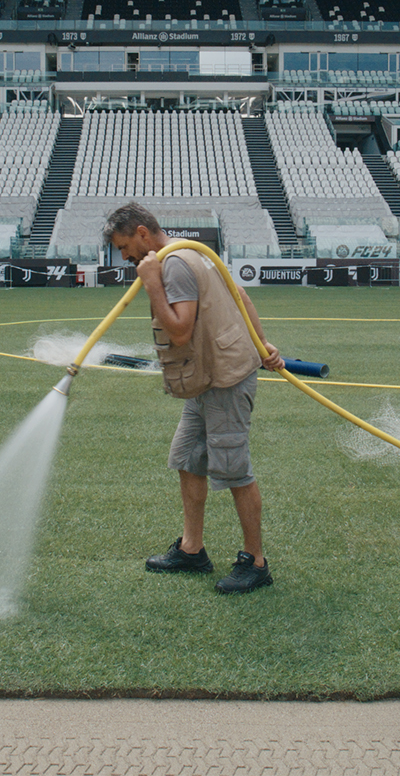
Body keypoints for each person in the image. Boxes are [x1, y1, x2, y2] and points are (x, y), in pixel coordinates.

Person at [102, 202, 284, 595]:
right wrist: (262, 340)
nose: (125, 257)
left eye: (124, 247)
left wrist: (152, 282)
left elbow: (181, 331)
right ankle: (192, 549)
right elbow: (239, 295)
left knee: (234, 468)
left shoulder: (174, 265)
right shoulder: (191, 250)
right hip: (205, 376)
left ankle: (256, 561)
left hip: (225, 378)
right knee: (188, 458)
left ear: (142, 234)